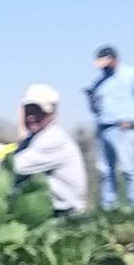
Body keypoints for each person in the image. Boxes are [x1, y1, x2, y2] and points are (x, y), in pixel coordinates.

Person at [84, 47, 134, 208]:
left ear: (113, 59)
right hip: (103, 128)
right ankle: (109, 208)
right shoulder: (98, 82)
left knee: (129, 168)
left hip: (123, 128)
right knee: (105, 171)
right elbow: (95, 109)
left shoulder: (133, 75)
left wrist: (133, 120)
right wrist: (91, 100)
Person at [10, 84, 89, 216]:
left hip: (66, 213)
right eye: (28, 111)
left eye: (37, 111)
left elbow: (14, 168)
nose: (31, 116)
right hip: (48, 210)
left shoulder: (53, 139)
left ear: (52, 113)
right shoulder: (33, 139)